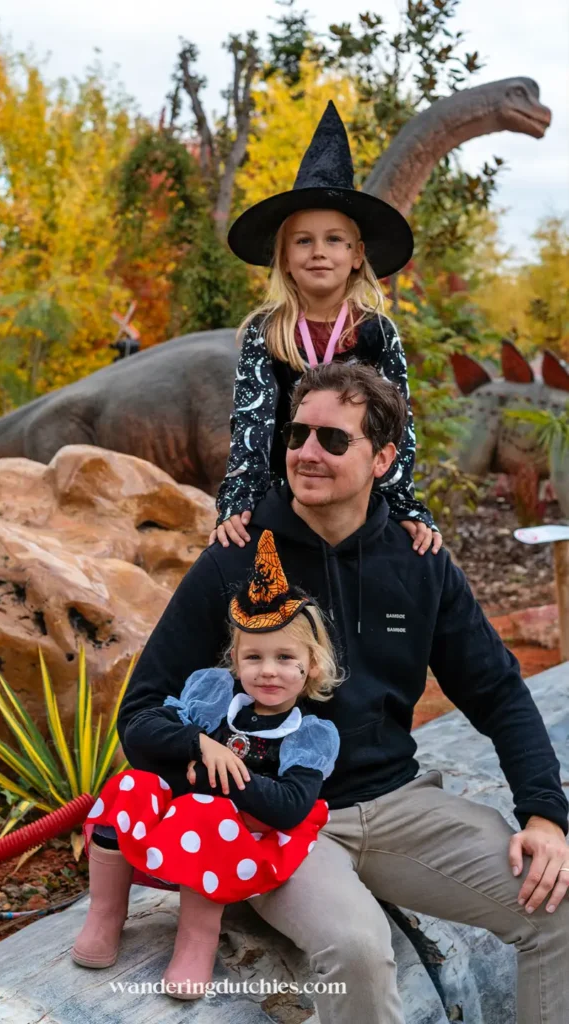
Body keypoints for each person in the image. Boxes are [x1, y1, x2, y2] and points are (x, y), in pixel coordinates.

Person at [117, 361, 569, 1023]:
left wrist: (544, 814)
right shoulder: (236, 559)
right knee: (358, 948)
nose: (306, 452)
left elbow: (497, 691)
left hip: (396, 802)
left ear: (382, 457)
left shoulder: (417, 561)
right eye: (297, 435)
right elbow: (141, 710)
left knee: (553, 905)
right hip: (276, 819)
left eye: (333, 440)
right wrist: (204, 756)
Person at [71, 529, 341, 1000]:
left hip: (245, 841)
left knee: (207, 810)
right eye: (253, 657)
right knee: (132, 785)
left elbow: (290, 807)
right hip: (186, 826)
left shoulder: (306, 734)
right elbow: (143, 731)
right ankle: (105, 915)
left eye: (284, 657)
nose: (268, 670)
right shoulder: (216, 700)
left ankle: (197, 939)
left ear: (311, 666)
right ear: (235, 661)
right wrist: (199, 744)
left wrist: (222, 781)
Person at [211, 100, 442, 557]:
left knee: (407, 558)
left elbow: (397, 425)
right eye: (303, 241)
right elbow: (251, 421)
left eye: (334, 239)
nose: (319, 252)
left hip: (360, 497)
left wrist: (402, 503)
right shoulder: (267, 331)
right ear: (285, 259)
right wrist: (240, 497)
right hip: (285, 497)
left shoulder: (377, 332)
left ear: (357, 254)